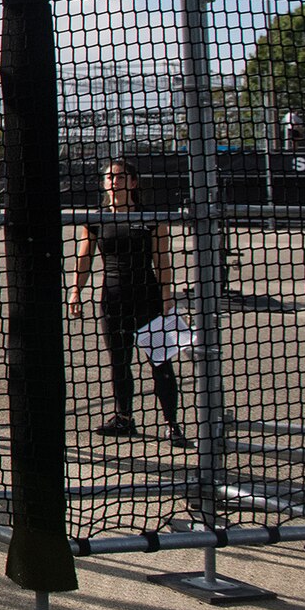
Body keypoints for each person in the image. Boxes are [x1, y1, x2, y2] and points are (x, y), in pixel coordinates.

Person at [67, 158, 189, 448]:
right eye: (109, 177)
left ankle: (173, 425)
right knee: (119, 363)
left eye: (120, 177)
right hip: (112, 299)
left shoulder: (151, 218)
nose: (114, 182)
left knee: (161, 363)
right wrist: (75, 291)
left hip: (147, 299)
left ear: (133, 183)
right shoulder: (97, 218)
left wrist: (167, 295)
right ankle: (124, 418)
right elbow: (84, 257)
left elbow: (162, 259)